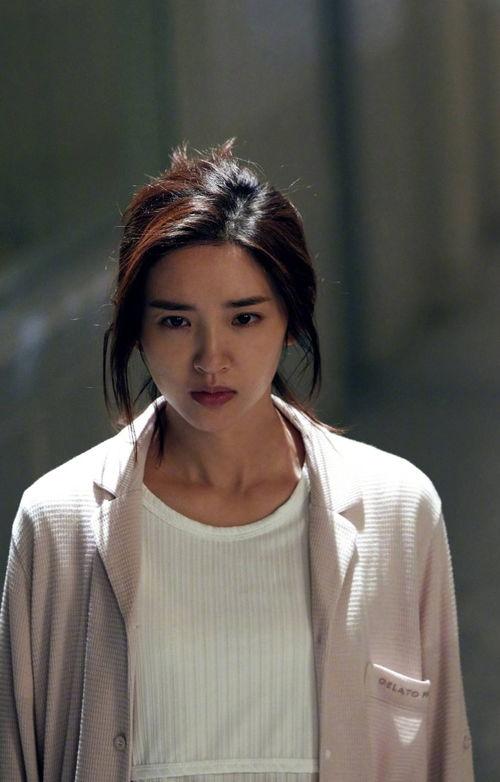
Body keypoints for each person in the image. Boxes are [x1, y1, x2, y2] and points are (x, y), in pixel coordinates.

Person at [0, 139, 474, 782]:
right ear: (137, 331)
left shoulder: (397, 508)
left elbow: (443, 755)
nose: (210, 359)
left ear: (291, 322)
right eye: (176, 322)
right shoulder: (58, 522)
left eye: (244, 318)